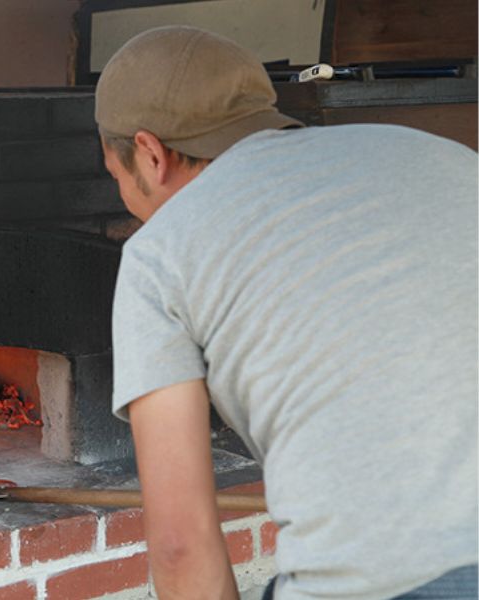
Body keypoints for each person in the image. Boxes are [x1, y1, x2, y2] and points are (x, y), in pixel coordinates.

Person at [97, 26, 478, 599]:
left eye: (118, 178)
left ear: (150, 155)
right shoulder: (444, 158)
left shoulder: (161, 254)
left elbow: (181, 545)